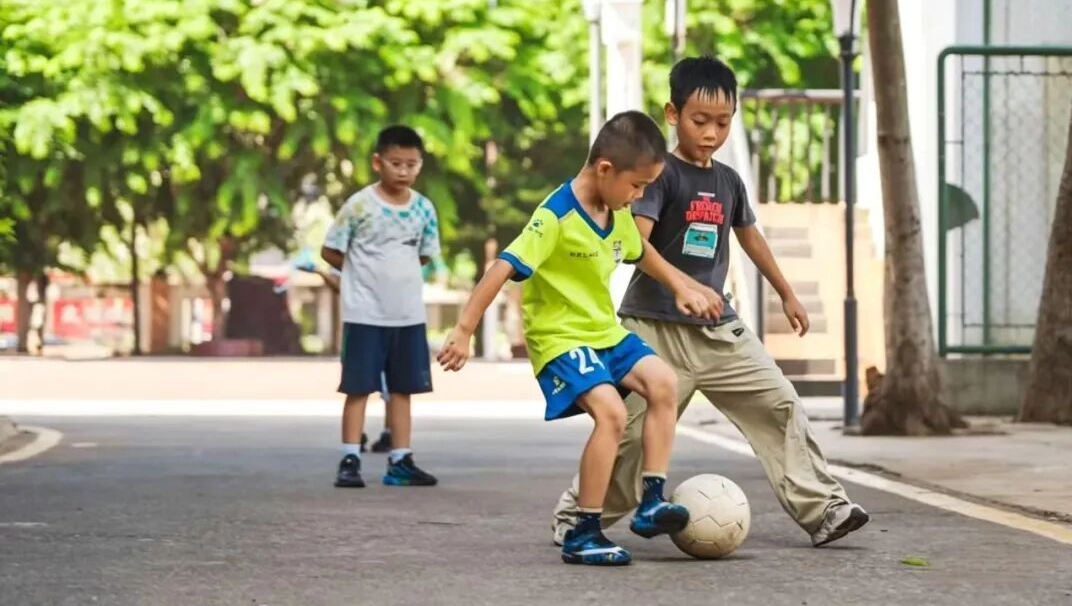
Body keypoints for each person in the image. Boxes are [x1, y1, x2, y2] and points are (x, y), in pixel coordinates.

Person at [550, 56, 870, 548]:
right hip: (652, 330)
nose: (712, 133)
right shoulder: (658, 176)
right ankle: (578, 516)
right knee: (631, 440)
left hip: (719, 331)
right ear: (673, 114)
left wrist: (787, 292)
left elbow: (750, 238)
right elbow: (638, 244)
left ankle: (824, 508)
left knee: (779, 402)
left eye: (723, 122)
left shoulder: (728, 181)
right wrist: (682, 285)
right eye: (700, 121)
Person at [437, 111, 725, 566]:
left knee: (664, 383)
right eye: (637, 186)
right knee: (610, 412)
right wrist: (463, 330)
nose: (641, 196)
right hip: (559, 338)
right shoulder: (555, 215)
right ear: (605, 169)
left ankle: (651, 501)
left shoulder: (617, 210)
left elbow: (641, 252)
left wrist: (681, 287)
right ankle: (583, 530)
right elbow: (503, 267)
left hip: (603, 331)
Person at [321, 125, 441, 488]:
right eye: (395, 163)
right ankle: (349, 457)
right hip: (364, 313)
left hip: (407, 315)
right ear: (377, 162)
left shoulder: (423, 209)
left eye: (411, 164)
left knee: (403, 389)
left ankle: (400, 461)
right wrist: (359, 276)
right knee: (358, 387)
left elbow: (424, 255)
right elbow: (330, 250)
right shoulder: (359, 205)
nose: (403, 171)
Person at [298, 259, 392, 454]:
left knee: (387, 384)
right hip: (365, 322)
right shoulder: (350, 251)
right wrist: (322, 272)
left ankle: (386, 434)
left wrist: (321, 272)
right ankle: (364, 436)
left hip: (383, 321)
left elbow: (340, 286)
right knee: (365, 384)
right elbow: (340, 285)